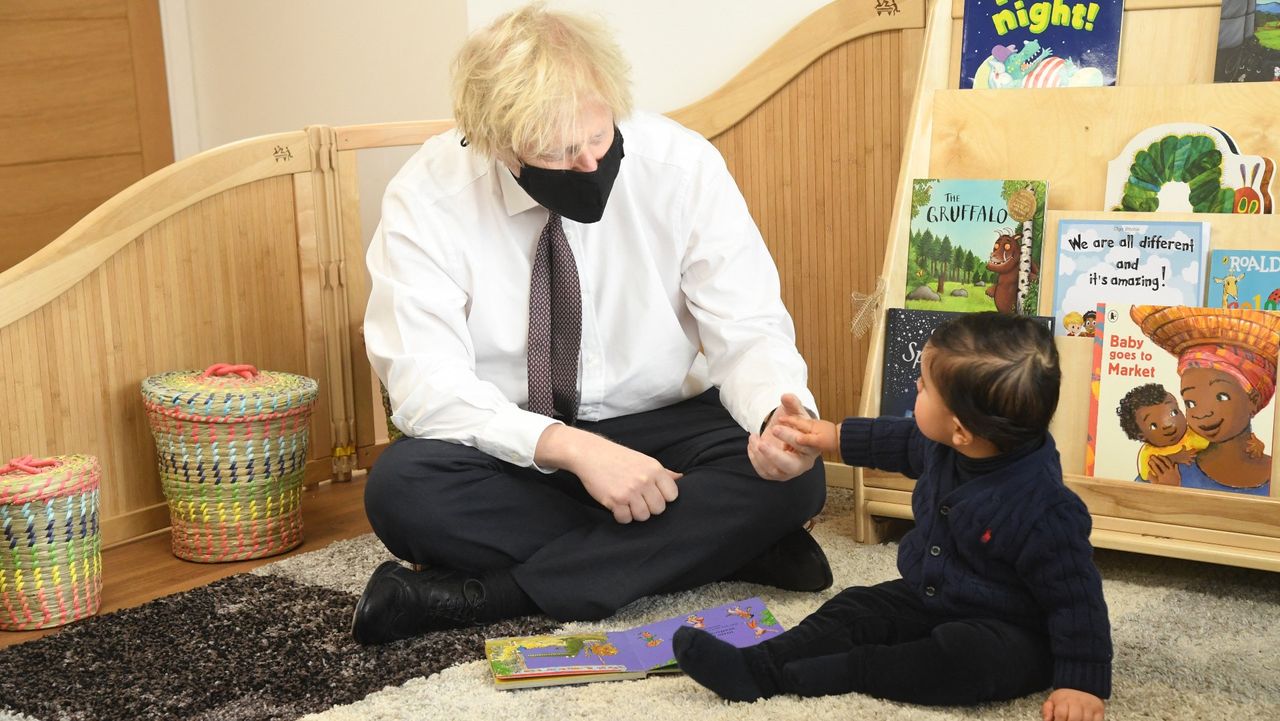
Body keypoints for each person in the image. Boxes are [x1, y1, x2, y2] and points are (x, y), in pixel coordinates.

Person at [352, 4, 830, 645]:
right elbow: (424, 385)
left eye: (597, 140)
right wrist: (575, 450)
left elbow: (747, 329)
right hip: (520, 440)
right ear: (497, 143)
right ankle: (729, 550)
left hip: (668, 425)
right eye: (556, 152)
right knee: (402, 489)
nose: (585, 164)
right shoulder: (426, 199)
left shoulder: (681, 168)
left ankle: (491, 594)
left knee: (795, 481)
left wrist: (777, 421)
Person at [673, 313, 1113, 721]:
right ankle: (756, 665)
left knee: (960, 659)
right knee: (855, 606)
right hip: (930, 593)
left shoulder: (1046, 510)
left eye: (922, 386)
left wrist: (1082, 684)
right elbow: (897, 441)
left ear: (960, 429)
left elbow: (1078, 601)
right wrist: (833, 436)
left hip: (1008, 631)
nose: (913, 388)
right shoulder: (949, 444)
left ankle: (838, 674)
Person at [1132, 306, 1277, 496]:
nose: (1202, 413)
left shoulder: (1275, 477)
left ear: (1253, 400)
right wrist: (1167, 494)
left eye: (1221, 397)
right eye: (1190, 403)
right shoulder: (1167, 471)